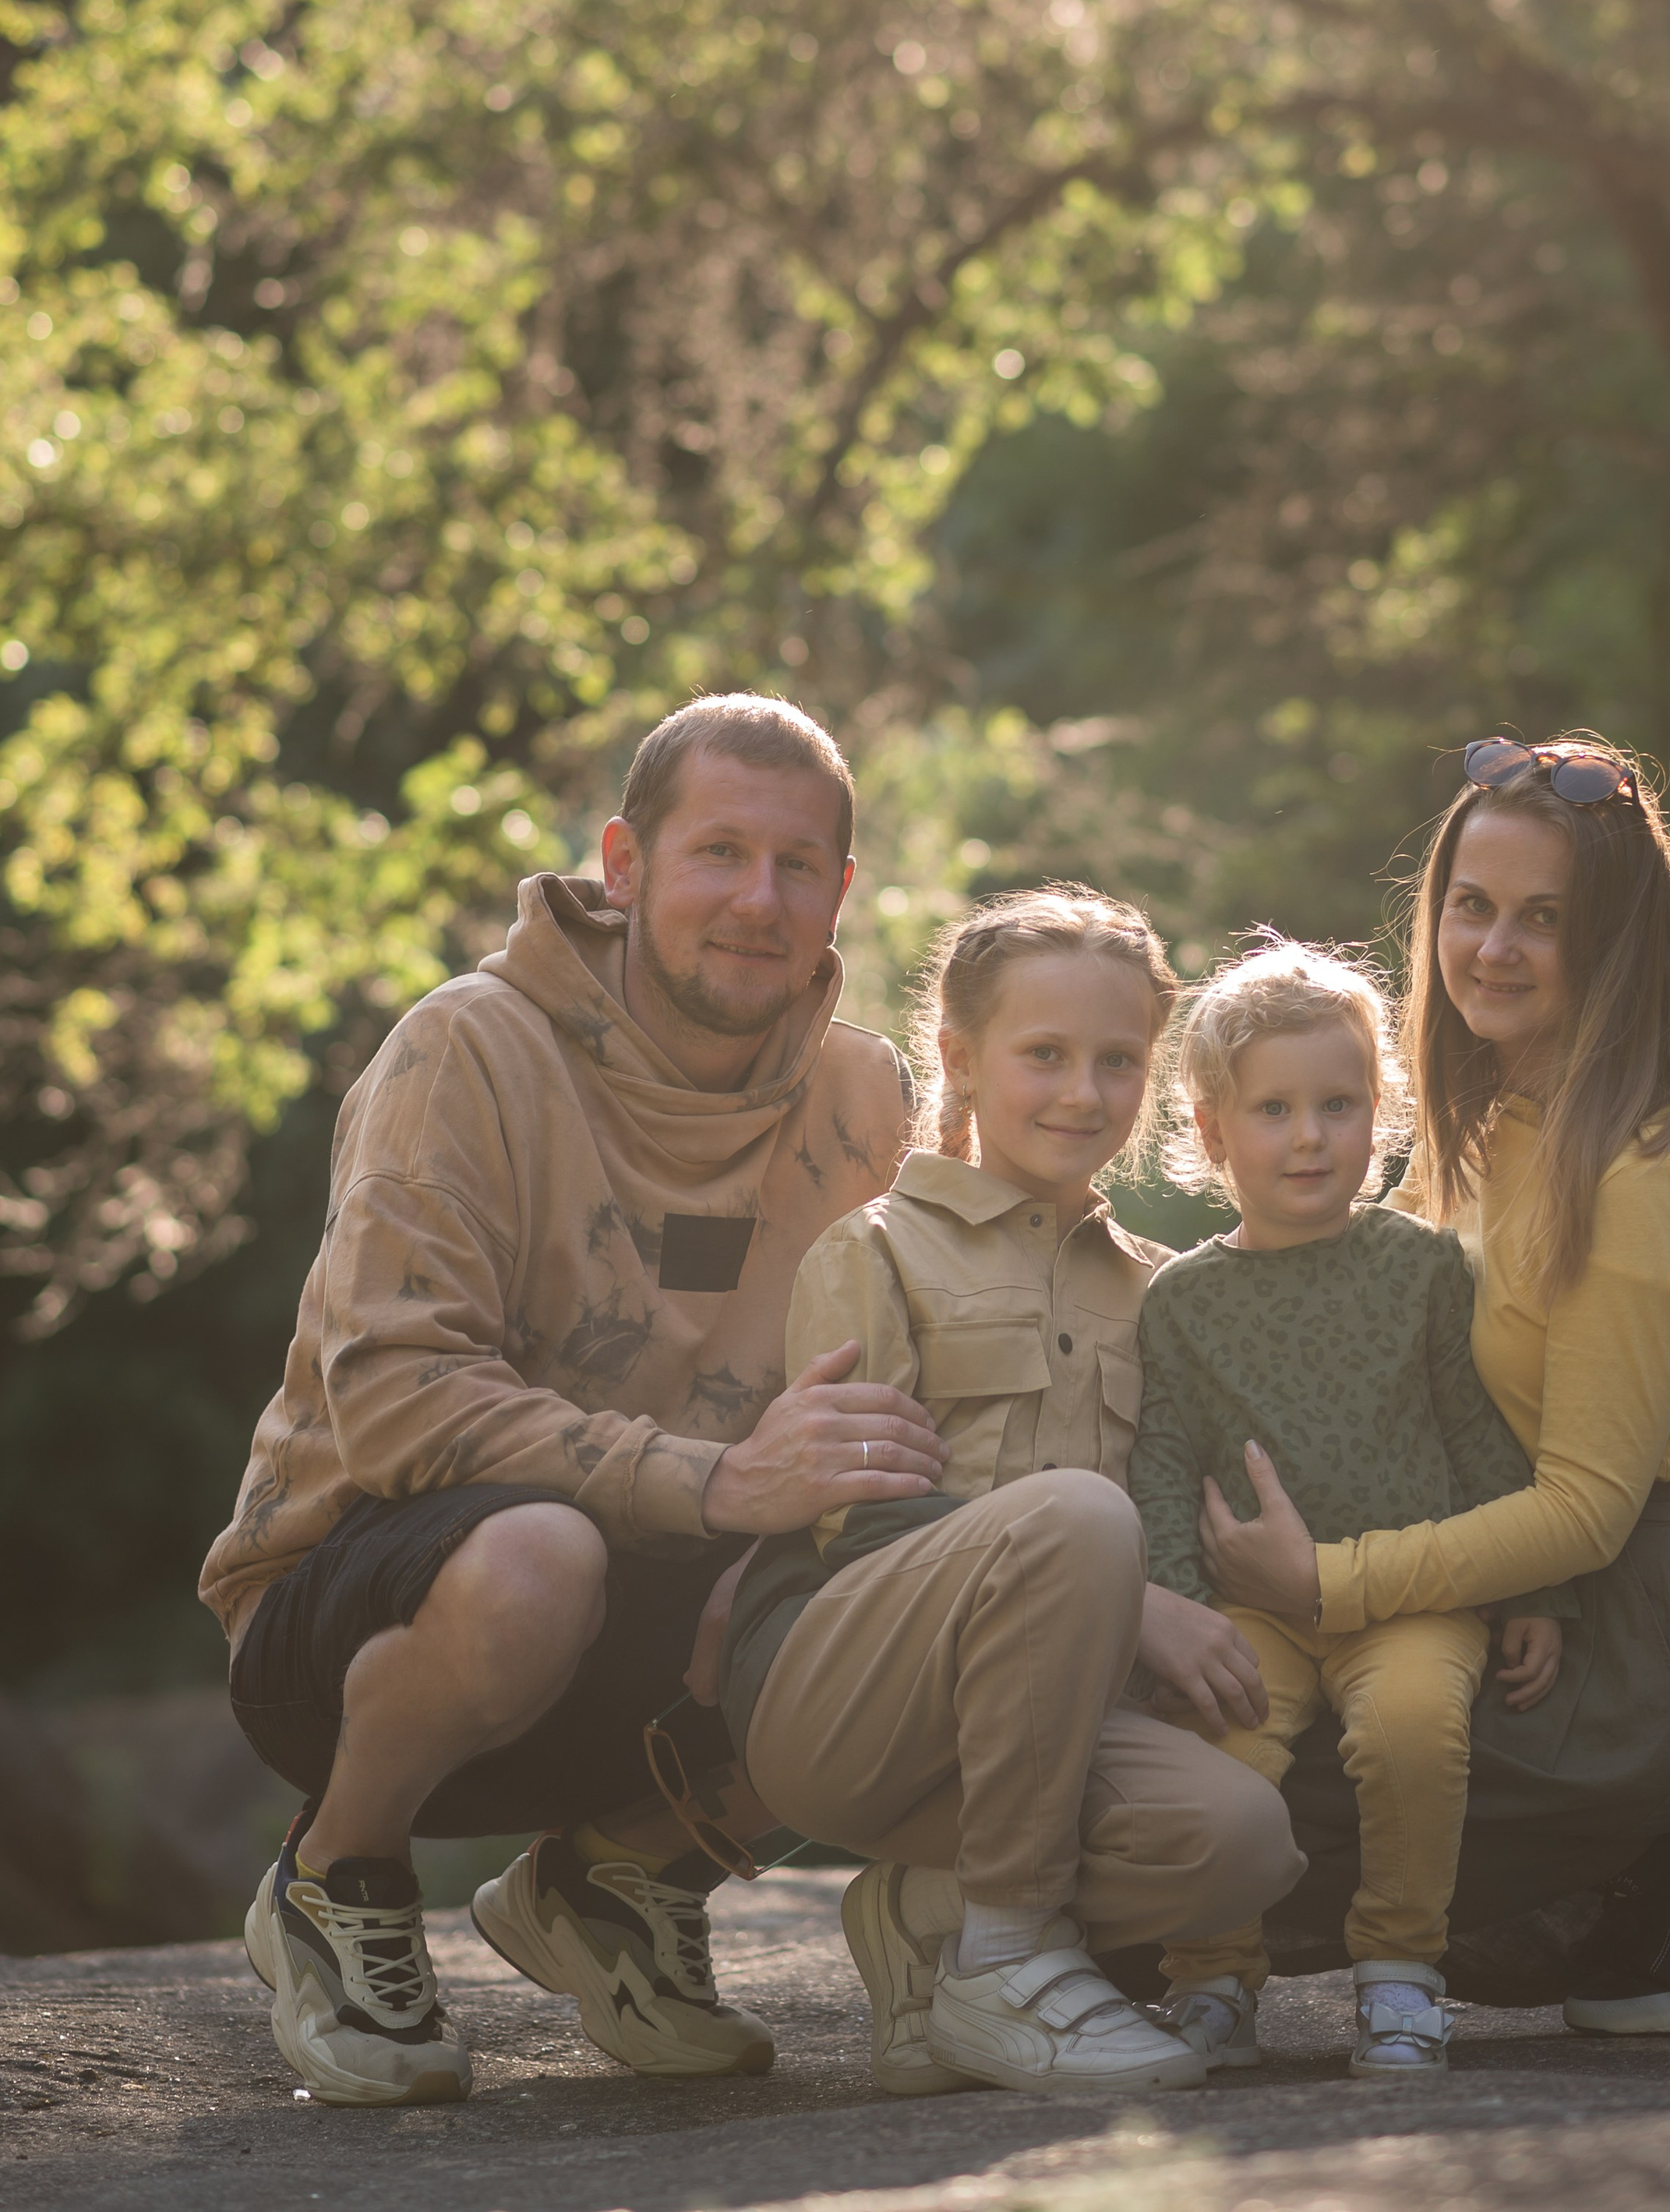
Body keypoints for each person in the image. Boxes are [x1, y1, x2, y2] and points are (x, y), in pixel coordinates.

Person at [199, 693, 945, 2109]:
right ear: (625, 862)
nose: (757, 899)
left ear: (843, 892)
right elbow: (402, 1405)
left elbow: (966, 1317)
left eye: (798, 866)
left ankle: (621, 1880)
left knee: (921, 1566)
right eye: (718, 852)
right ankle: (337, 1874)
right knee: (546, 1552)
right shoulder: (466, 1050)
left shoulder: (859, 1095)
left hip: (663, 1620)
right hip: (374, 1612)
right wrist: (720, 1485)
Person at [1202, 737, 1670, 2034]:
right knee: (1215, 1734)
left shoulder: (1642, 1166)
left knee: (1259, 1816)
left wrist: (1325, 1585)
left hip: (1669, 1634)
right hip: (1537, 1600)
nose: (1493, 946)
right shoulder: (1490, 1118)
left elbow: (1590, 1512)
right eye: (1472, 907)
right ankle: (1613, 1901)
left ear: (1617, 943)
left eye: (1545, 919)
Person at [718, 887, 1305, 2098]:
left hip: (1041, 1736)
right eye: (1045, 1055)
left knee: (1241, 1840)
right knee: (1082, 1520)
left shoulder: (1162, 1292)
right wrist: (1136, 1601)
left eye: (1118, 1062)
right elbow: (861, 1516)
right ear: (960, 1059)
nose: (1083, 1095)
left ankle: (931, 1917)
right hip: (842, 1704)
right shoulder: (872, 1250)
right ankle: (1011, 1959)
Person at [1129, 936, 1573, 2079]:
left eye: (1338, 1103)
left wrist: (1531, 1586)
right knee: (1220, 1752)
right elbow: (1166, 1464)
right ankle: (1211, 1978)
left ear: (1380, 1115)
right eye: (1273, 1109)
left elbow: (1476, 1429)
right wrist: (1179, 1614)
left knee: (1414, 1730)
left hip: (1416, 1598)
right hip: (1256, 1613)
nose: (1310, 1135)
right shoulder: (1182, 1302)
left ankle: (1402, 1971)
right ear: (1214, 1131)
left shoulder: (1421, 1267)